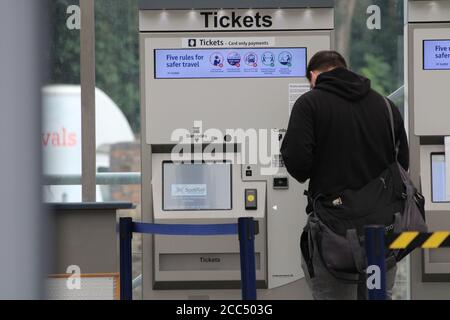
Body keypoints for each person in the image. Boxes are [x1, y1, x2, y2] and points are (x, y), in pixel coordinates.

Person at [280, 50, 409, 300]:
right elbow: (402, 164)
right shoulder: (385, 105)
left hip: (334, 228)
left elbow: (298, 164)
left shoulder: (309, 104)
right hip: (383, 228)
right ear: (344, 69)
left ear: (313, 76)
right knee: (379, 295)